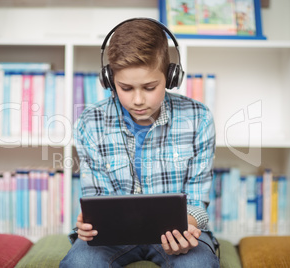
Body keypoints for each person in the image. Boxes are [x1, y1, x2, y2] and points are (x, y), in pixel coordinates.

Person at [60, 18, 218, 268]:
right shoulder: (90, 122)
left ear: (170, 76)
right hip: (111, 239)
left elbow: (198, 198)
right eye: (125, 87)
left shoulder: (198, 118)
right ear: (110, 80)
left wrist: (188, 225)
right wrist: (88, 224)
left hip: (178, 234)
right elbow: (95, 196)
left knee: (197, 265)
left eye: (149, 87)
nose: (137, 100)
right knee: (80, 262)